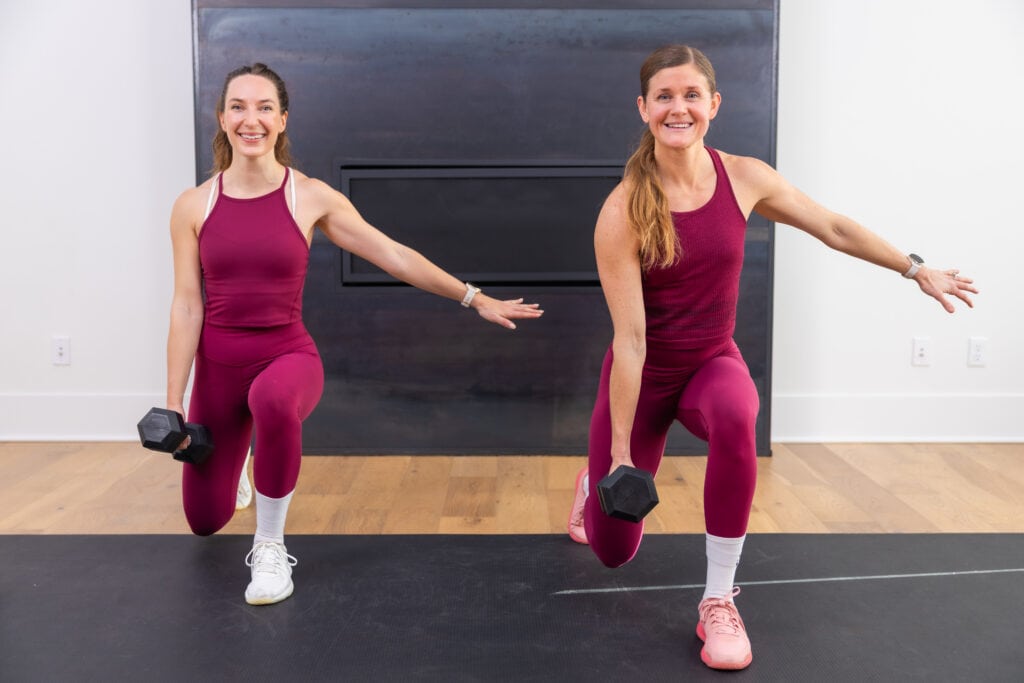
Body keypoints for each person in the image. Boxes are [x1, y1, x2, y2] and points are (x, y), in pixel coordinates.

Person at [566, 45, 977, 671]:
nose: (679, 108)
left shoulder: (745, 176)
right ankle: (591, 483)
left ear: (713, 105)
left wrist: (914, 268)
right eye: (665, 97)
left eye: (691, 96)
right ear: (644, 109)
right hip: (642, 374)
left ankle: (717, 600)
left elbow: (832, 227)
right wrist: (620, 455)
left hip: (710, 363)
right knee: (613, 553)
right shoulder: (621, 210)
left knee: (738, 413)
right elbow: (631, 342)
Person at [166, 63, 543, 606]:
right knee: (204, 521)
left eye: (265, 107)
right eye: (240, 107)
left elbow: (392, 254)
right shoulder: (193, 205)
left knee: (272, 401)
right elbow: (185, 305)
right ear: (222, 118)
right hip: (219, 370)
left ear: (283, 118)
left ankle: (270, 547)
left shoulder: (309, 197)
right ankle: (239, 462)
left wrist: (472, 296)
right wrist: (172, 404)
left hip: (286, 357)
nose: (252, 120)